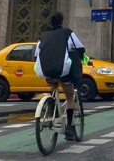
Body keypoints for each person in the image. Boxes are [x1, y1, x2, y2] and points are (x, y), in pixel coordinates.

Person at [35, 13, 86, 141]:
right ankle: (69, 127)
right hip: (63, 71)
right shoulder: (67, 33)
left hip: (46, 71)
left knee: (54, 84)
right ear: (62, 21)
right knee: (69, 97)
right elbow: (80, 48)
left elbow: (36, 54)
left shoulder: (43, 35)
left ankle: (52, 106)